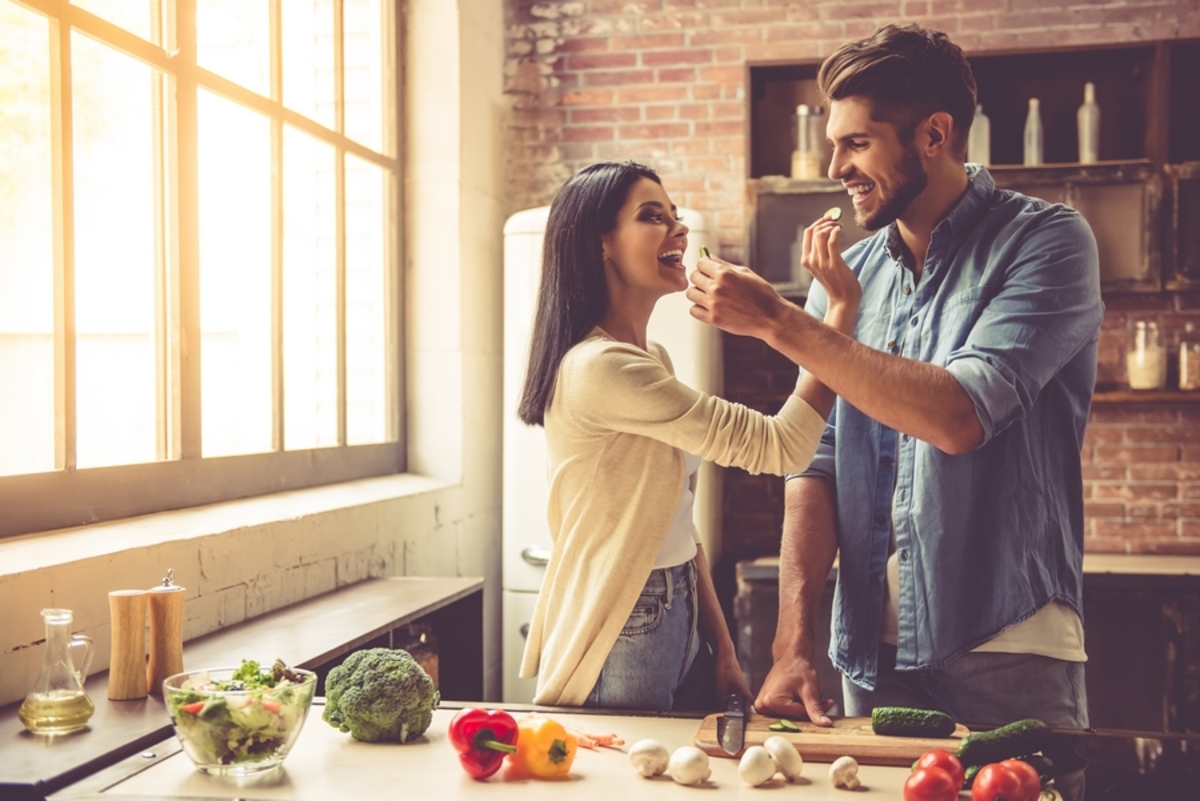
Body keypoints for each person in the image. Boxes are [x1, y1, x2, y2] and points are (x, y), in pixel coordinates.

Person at [687, 23, 1103, 740]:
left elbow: (959, 414)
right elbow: (813, 467)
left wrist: (780, 321)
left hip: (1008, 646)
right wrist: (793, 643)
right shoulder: (844, 283)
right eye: (833, 142)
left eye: (856, 143)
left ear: (934, 135)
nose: (835, 165)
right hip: (871, 658)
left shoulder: (1048, 242)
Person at [516, 160, 862, 710]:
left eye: (675, 215)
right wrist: (837, 313)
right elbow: (783, 447)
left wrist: (719, 645)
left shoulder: (650, 359)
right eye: (653, 217)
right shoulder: (602, 368)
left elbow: (675, 520)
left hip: (673, 605)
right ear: (599, 243)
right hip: (624, 617)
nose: (678, 229)